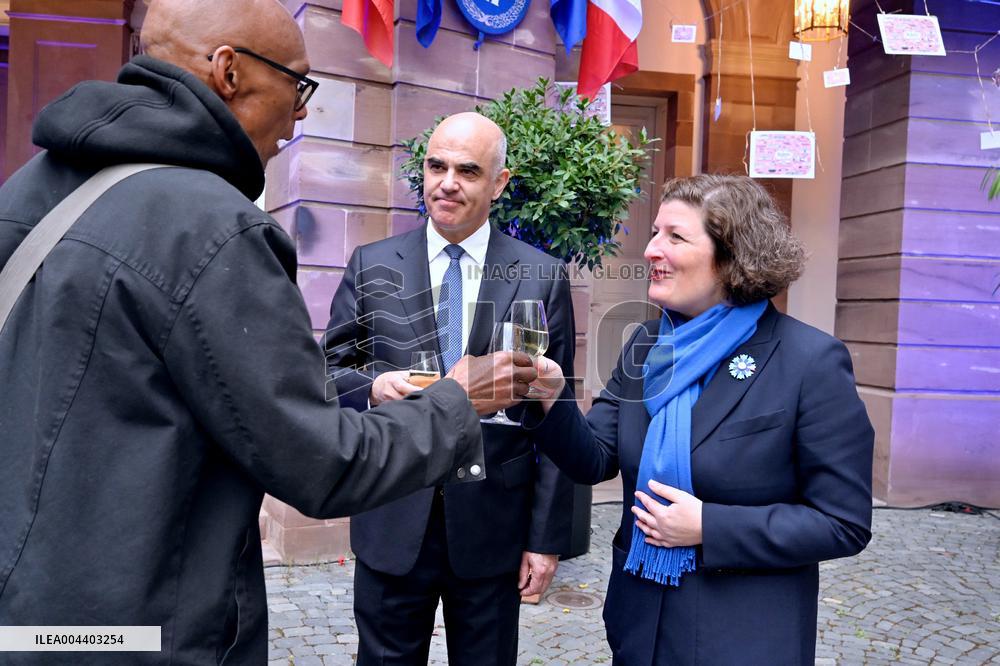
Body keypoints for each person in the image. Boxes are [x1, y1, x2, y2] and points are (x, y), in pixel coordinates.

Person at [0, 1, 538, 664]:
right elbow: (320, 460)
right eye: (299, 84)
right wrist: (457, 399)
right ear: (229, 72)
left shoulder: (29, 193)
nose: (303, 111)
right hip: (139, 632)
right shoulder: (211, 225)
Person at [527, 174, 875, 666]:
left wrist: (709, 525)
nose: (651, 249)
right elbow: (595, 460)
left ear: (732, 258)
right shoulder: (645, 345)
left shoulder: (809, 361)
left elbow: (842, 523)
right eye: (654, 232)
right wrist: (553, 399)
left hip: (742, 636)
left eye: (675, 236)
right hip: (640, 624)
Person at [324, 112, 576, 666]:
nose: (447, 183)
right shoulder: (372, 265)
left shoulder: (540, 275)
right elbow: (328, 373)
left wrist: (546, 537)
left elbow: (559, 419)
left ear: (500, 183)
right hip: (392, 510)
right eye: (436, 166)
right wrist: (373, 387)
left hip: (493, 525)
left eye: (467, 170)